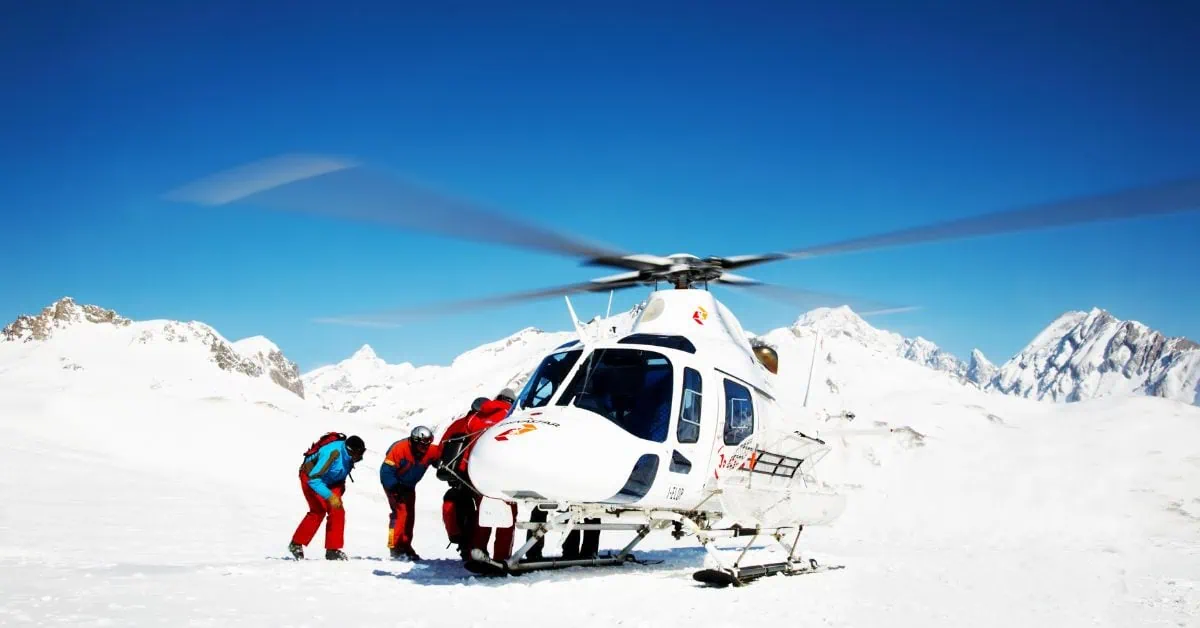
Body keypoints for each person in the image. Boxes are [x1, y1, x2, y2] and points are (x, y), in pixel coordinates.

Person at [289, 433, 366, 560]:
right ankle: (296, 544)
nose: (360, 457)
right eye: (359, 454)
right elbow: (314, 479)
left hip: (332, 481)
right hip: (311, 478)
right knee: (318, 510)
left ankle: (332, 550)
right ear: (351, 451)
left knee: (337, 510)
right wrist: (330, 496)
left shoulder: (349, 457)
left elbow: (339, 471)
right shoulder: (332, 453)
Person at [465, 388, 519, 563]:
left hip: (479, 474)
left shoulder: (477, 415)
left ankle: (477, 553)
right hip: (504, 474)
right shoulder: (512, 415)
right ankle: (501, 558)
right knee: (507, 517)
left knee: (483, 514)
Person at [380, 425, 441, 560]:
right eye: (422, 444)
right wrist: (395, 487)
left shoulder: (431, 450)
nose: (425, 447)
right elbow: (386, 471)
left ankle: (406, 545)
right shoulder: (400, 449)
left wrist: (441, 464)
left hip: (409, 486)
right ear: (414, 441)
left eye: (428, 444)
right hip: (394, 485)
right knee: (400, 513)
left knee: (409, 516)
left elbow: (442, 456)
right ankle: (395, 547)